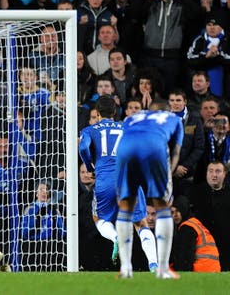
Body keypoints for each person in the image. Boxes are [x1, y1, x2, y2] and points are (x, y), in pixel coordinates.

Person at [79, 96, 159, 272]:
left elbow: (83, 147)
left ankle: (115, 237)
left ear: (97, 113)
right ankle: (153, 263)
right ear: (115, 112)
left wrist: (88, 164)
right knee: (140, 223)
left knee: (98, 218)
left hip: (105, 180)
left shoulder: (89, 130)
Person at [115, 105, 183, 279]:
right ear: (166, 111)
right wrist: (168, 175)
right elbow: (175, 151)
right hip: (154, 148)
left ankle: (126, 269)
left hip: (125, 149)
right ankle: (162, 269)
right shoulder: (174, 119)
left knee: (126, 206)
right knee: (162, 206)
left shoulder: (131, 118)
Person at [170, 195, 221, 272]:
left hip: (202, 269)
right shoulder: (196, 224)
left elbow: (184, 258)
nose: (175, 215)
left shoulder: (187, 228)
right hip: (214, 269)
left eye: (178, 211)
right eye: (172, 212)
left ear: (184, 210)